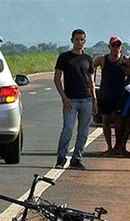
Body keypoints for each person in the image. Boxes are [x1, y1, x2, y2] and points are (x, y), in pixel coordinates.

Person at [54, 29, 97, 170]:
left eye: (82, 39)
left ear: (85, 41)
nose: (79, 42)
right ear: (72, 40)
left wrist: (94, 100)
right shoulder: (64, 57)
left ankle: (76, 158)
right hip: (71, 100)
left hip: (86, 100)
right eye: (77, 39)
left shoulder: (88, 59)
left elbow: (91, 81)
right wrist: (64, 97)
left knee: (83, 132)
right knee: (67, 129)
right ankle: (61, 157)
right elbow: (57, 78)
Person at [93, 36, 127, 156]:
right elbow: (89, 68)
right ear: (109, 47)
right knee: (105, 120)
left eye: (118, 45)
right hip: (105, 95)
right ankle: (109, 147)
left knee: (118, 121)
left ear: (121, 47)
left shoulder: (124, 60)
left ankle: (118, 147)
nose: (116, 48)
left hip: (119, 96)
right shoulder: (102, 59)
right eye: (114, 45)